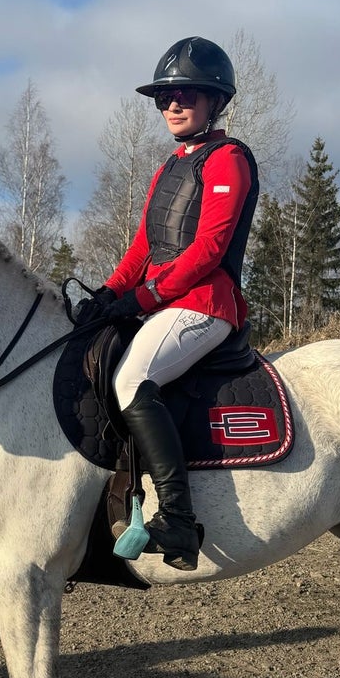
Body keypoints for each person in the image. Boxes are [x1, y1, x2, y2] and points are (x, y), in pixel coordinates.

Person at [75, 36, 260, 570]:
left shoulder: (229, 159)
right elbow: (144, 248)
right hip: (164, 303)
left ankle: (178, 519)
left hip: (205, 304)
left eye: (185, 94)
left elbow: (209, 249)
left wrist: (144, 295)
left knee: (132, 380)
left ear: (215, 101)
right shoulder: (169, 166)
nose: (173, 105)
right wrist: (110, 293)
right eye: (164, 97)